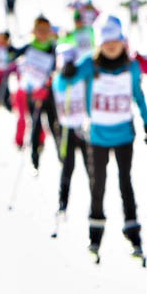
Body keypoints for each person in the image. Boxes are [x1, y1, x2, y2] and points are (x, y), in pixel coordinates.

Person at [68, 15, 147, 262]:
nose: (110, 45)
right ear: (99, 43)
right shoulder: (89, 64)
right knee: (98, 185)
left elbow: (139, 95)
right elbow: (66, 82)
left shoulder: (131, 66)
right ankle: (95, 235)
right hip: (97, 135)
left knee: (125, 183)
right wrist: (66, 70)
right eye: (105, 41)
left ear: (122, 40)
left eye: (114, 40)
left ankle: (133, 233)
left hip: (124, 134)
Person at [10, 16, 59, 171]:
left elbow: (57, 68)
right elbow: (13, 55)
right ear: (34, 31)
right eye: (40, 30)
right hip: (34, 93)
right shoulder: (30, 46)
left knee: (54, 123)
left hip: (49, 92)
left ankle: (61, 156)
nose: (43, 33)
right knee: (36, 123)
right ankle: (34, 159)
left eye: (46, 30)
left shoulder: (53, 48)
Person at [52, 42, 93, 222]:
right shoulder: (59, 79)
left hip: (83, 127)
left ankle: (95, 202)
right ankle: (63, 203)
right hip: (67, 127)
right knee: (68, 166)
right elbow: (59, 86)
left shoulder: (82, 77)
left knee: (90, 166)